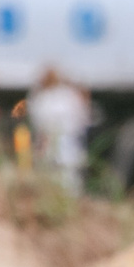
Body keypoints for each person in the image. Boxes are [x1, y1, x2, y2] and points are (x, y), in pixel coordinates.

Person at [25, 65, 93, 193]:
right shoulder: (70, 96)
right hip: (70, 150)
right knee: (72, 187)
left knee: (50, 188)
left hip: (49, 152)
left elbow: (39, 130)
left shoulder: (41, 99)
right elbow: (84, 119)